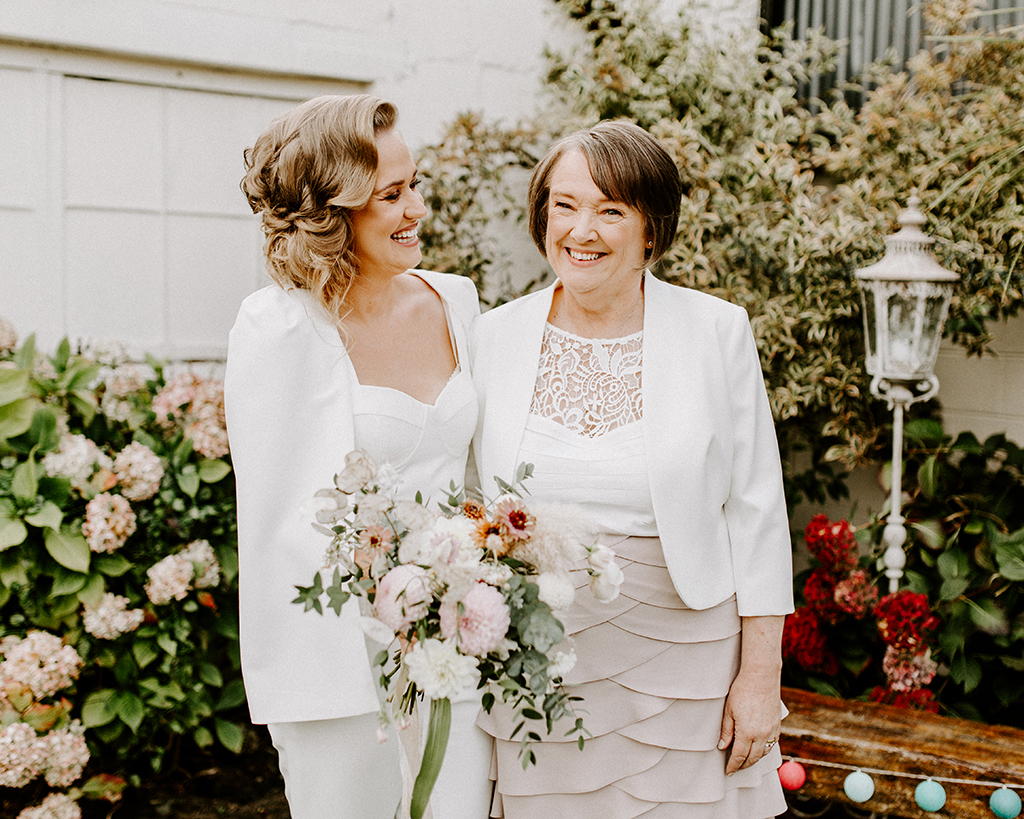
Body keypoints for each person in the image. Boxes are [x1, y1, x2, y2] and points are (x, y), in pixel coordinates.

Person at [472, 120, 794, 818]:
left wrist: (761, 676)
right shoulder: (491, 336)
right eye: (564, 205)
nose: (580, 229)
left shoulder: (718, 331)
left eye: (610, 209)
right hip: (537, 663)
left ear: (651, 228)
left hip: (688, 666)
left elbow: (757, 510)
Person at [225, 94, 492, 819]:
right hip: (338, 665)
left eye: (417, 185)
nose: (418, 209)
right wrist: (387, 600)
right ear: (333, 212)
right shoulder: (279, 327)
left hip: (459, 644)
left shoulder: (455, 301)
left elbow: (479, 482)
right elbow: (282, 522)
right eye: (391, 195)